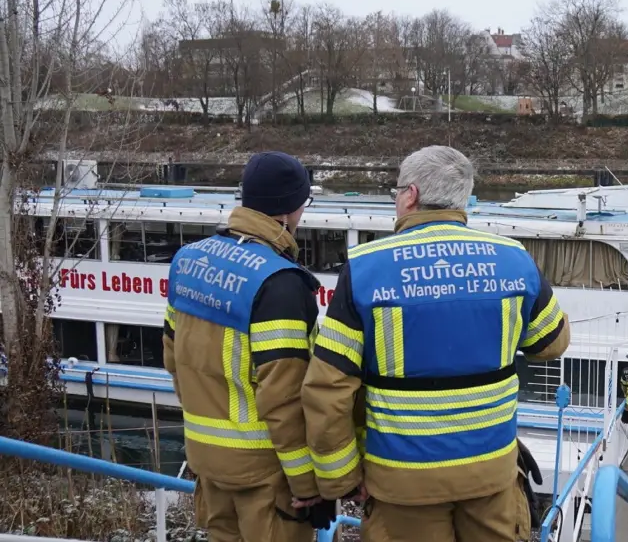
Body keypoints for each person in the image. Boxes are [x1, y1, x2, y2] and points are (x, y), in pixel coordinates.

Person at [302, 145, 570, 542]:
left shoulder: (365, 268)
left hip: (402, 483)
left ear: (411, 195)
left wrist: (341, 478)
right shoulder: (513, 258)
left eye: (397, 192)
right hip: (491, 474)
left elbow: (327, 392)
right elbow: (552, 342)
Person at [163, 151, 332, 541]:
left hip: (206, 462)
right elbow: (284, 400)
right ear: (290, 211)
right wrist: (308, 486)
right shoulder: (281, 284)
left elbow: (173, 358)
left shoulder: (188, 261)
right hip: (264, 475)